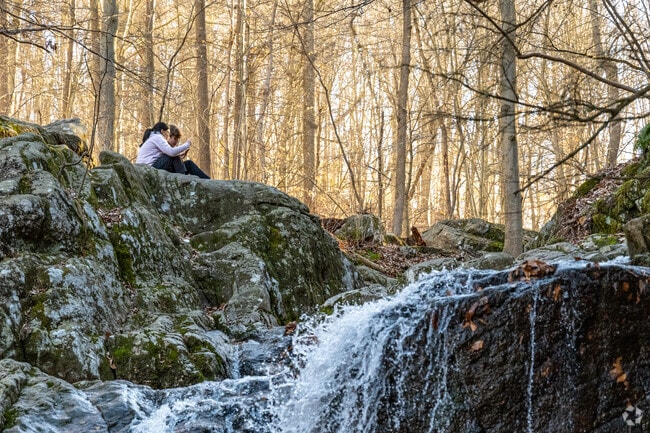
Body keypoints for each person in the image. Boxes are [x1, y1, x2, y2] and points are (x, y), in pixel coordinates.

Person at [135, 122, 210, 179]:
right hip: (149, 169)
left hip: (149, 167)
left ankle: (208, 181)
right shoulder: (157, 137)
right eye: (167, 133)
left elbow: (162, 156)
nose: (167, 135)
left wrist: (179, 155)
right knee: (174, 155)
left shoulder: (154, 137)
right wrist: (187, 144)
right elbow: (171, 152)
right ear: (162, 131)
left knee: (189, 164)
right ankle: (182, 178)